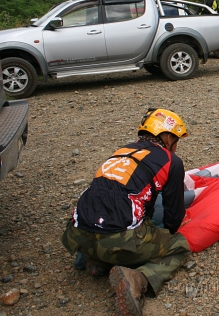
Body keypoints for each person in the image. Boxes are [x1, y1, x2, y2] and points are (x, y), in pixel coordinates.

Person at [61, 108, 191, 316]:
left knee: (114, 222)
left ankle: (94, 261)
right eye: (176, 140)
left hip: (77, 234)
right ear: (167, 136)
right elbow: (173, 215)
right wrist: (165, 234)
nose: (176, 146)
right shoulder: (171, 161)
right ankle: (138, 279)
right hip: (117, 238)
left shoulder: (121, 151)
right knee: (179, 245)